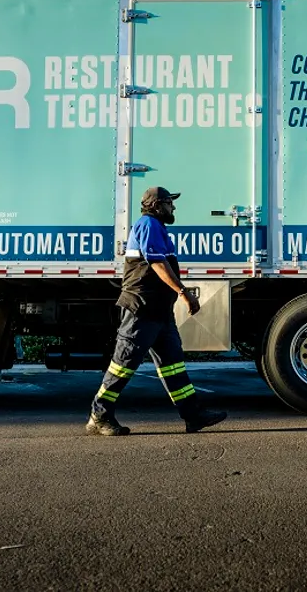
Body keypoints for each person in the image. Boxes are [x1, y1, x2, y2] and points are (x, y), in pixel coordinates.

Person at [86, 186, 228, 436]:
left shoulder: (157, 227)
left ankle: (193, 416)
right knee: (123, 363)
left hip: (159, 312)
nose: (173, 207)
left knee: (173, 364)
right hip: (142, 308)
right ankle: (99, 415)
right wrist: (184, 292)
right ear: (156, 205)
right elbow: (157, 263)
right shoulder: (148, 224)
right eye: (168, 203)